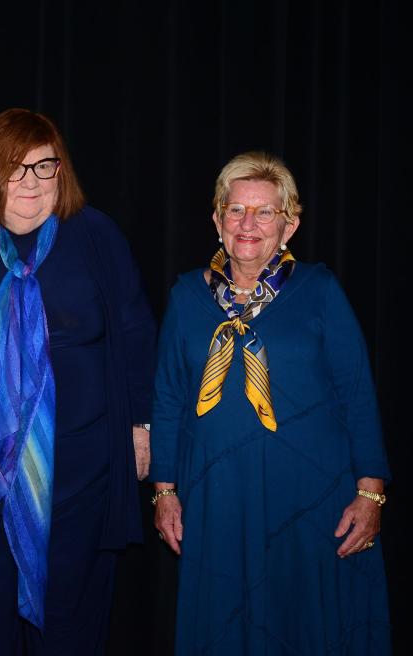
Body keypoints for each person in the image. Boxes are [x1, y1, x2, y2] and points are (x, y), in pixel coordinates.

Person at [0, 108, 155, 655]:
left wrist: (140, 424)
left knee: (70, 634)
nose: (31, 184)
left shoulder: (96, 236)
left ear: (62, 172)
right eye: (15, 169)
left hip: (78, 483)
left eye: (44, 167)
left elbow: (134, 330)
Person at [150, 151, 391, 654]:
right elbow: (168, 398)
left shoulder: (319, 290)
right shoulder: (185, 298)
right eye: (236, 210)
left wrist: (370, 494)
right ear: (217, 220)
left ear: (290, 225)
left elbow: (357, 393)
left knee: (301, 624)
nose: (249, 223)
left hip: (310, 498)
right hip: (215, 495)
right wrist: (164, 490)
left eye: (266, 212)